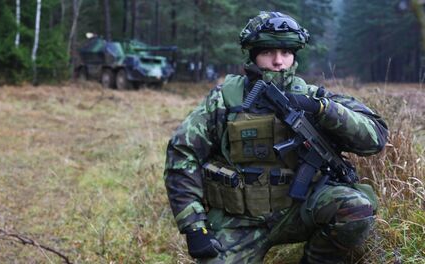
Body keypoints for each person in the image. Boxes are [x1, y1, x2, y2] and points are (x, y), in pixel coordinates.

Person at [163, 11, 388, 264]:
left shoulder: (314, 97)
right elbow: (182, 154)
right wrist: (193, 226)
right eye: (268, 52)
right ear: (253, 55)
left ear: (294, 56)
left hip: (299, 211)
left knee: (354, 208)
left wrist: (324, 109)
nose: (278, 61)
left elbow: (376, 137)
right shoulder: (225, 99)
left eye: (286, 52)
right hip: (239, 221)